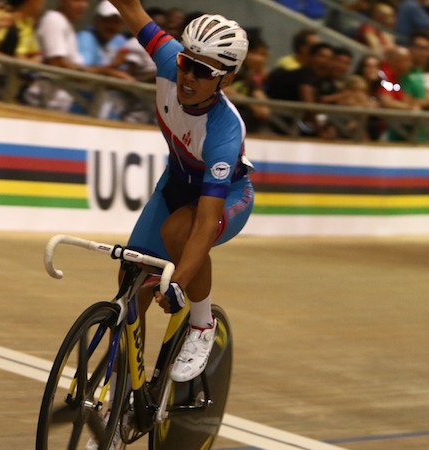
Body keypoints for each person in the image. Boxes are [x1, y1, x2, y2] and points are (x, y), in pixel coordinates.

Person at [106, 0, 254, 384]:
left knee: (179, 233)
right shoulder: (169, 59)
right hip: (175, 184)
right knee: (129, 288)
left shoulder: (224, 131)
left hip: (225, 198)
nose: (188, 78)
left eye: (204, 72)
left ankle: (202, 325)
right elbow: (131, 9)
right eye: (187, 64)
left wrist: (179, 283)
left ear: (227, 79)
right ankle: (120, 398)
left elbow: (204, 225)